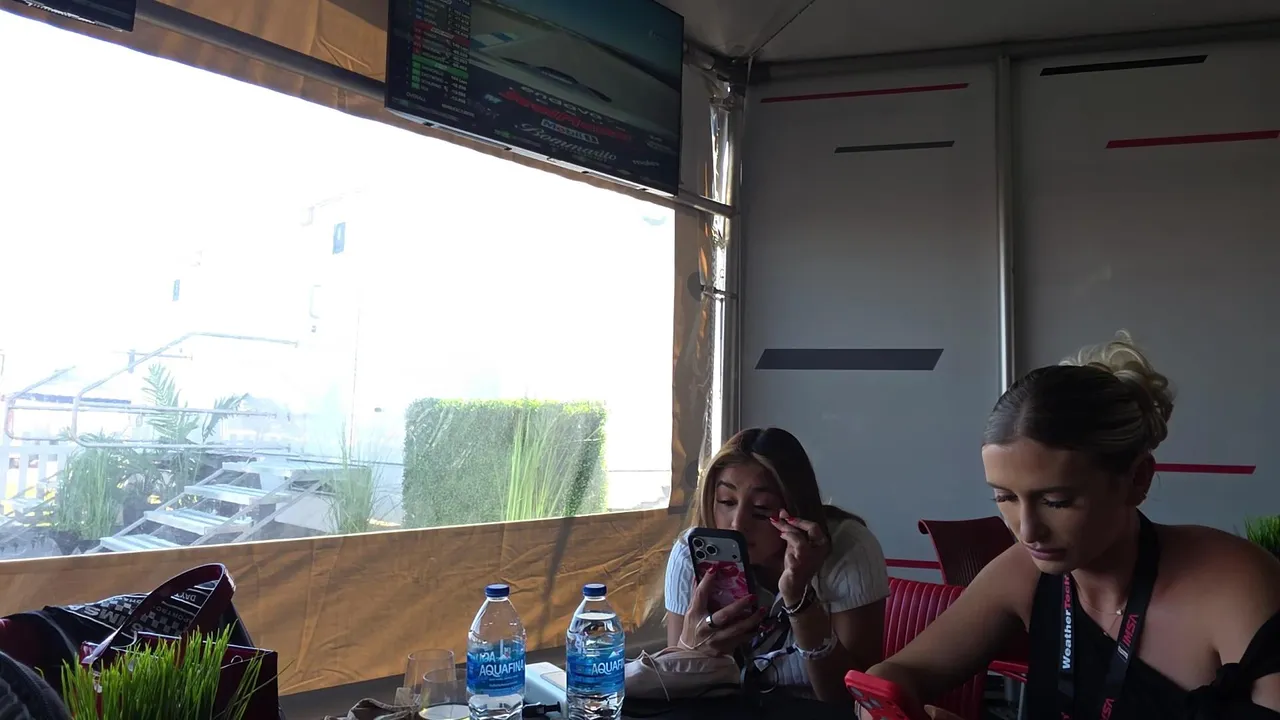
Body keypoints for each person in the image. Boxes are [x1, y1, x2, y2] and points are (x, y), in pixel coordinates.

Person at [863, 333, 1280, 719]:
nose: (1028, 531)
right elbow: (894, 676)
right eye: (1005, 498)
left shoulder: (1236, 586)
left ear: (1137, 479)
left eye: (1056, 501)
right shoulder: (1022, 574)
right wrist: (881, 705)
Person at [664, 426, 890, 703]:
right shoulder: (692, 553)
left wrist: (799, 598)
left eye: (761, 508)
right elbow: (675, 693)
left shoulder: (849, 548)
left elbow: (853, 701)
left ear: (795, 510)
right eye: (726, 501)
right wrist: (691, 648)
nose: (738, 524)